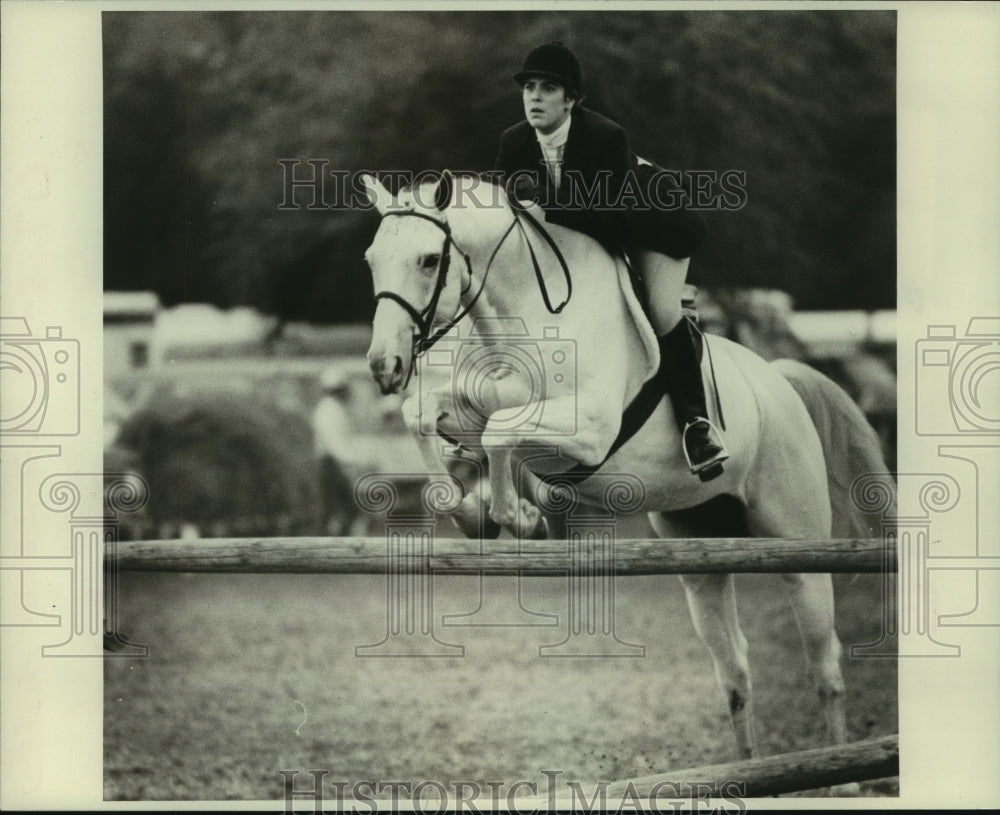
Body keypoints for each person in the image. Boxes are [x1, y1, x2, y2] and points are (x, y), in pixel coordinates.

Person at [493, 41, 728, 479]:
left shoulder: (604, 137)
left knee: (660, 311)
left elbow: (614, 222)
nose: (535, 97)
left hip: (651, 223)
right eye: (529, 88)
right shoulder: (514, 142)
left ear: (571, 99)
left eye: (547, 88)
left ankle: (698, 425)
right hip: (590, 230)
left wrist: (546, 202)